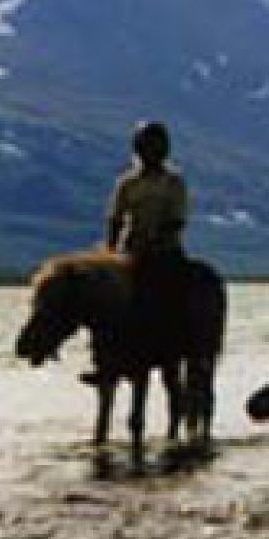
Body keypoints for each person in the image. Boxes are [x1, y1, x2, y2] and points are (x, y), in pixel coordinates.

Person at [86, 121, 190, 382]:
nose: (150, 152)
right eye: (145, 147)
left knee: (167, 294)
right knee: (102, 301)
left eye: (155, 147)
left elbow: (176, 219)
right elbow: (116, 218)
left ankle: (176, 343)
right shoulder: (127, 183)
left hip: (165, 252)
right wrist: (110, 251)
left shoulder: (174, 182)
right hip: (130, 252)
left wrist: (156, 240)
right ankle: (105, 357)